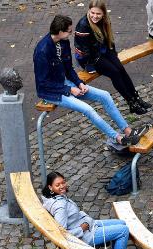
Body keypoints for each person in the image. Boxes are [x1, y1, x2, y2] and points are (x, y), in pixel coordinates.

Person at [33, 15, 142, 151]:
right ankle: (117, 138)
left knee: (105, 95)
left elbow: (68, 68)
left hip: (66, 83)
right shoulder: (42, 51)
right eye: (69, 31)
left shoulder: (63, 42)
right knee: (88, 109)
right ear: (60, 32)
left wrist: (79, 83)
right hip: (52, 92)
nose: (71, 33)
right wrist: (69, 89)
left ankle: (128, 131)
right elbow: (43, 83)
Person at [74, 0, 152, 115]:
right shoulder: (83, 26)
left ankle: (136, 98)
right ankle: (131, 103)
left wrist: (113, 53)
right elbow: (84, 52)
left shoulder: (104, 20)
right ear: (89, 11)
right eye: (92, 13)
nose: (95, 16)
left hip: (103, 50)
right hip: (90, 59)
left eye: (98, 14)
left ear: (103, 13)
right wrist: (92, 65)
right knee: (114, 72)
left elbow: (108, 38)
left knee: (121, 69)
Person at [41, 172, 130, 249]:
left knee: (122, 223)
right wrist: (81, 229)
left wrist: (85, 223)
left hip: (88, 224)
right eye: (57, 185)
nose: (62, 186)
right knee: (123, 230)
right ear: (50, 187)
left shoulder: (56, 197)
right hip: (85, 235)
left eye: (63, 182)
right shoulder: (60, 206)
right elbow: (61, 234)